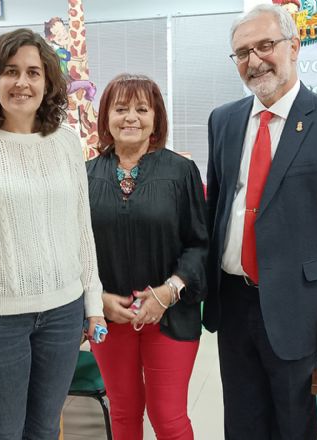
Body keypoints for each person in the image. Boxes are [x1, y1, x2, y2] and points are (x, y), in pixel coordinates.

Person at [203, 4, 317, 439]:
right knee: (242, 420)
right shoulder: (223, 121)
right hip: (233, 299)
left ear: (295, 47)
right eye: (242, 52)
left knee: (290, 421)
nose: (254, 59)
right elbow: (218, 207)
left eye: (265, 45)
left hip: (298, 305)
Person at [0, 28, 106, 440]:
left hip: (63, 311)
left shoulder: (67, 143)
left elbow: (81, 226)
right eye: (11, 71)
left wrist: (92, 302)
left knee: (43, 429)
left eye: (33, 72)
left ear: (47, 82)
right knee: (3, 432)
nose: (22, 82)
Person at [86, 73, 208, 440]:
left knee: (168, 418)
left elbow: (200, 244)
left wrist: (167, 291)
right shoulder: (85, 175)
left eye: (142, 108)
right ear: (105, 116)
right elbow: (75, 250)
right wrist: (98, 299)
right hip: (110, 317)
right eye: (121, 108)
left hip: (170, 314)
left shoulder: (181, 172)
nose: (131, 117)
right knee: (123, 414)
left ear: (157, 118)